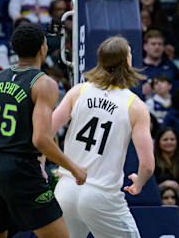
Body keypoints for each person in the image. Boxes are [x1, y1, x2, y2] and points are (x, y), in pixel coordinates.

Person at [0, 22, 87, 237]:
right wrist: (74, 168)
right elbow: (41, 139)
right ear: (43, 48)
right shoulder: (44, 83)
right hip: (20, 168)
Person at [51, 36, 153, 237]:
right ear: (127, 62)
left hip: (66, 189)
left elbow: (44, 132)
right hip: (101, 194)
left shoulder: (78, 91)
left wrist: (41, 162)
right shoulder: (135, 105)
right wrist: (139, 182)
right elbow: (148, 165)